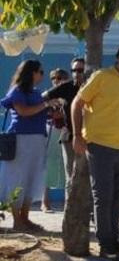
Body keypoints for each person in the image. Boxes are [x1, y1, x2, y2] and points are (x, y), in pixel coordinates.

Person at [72, 40, 119, 261]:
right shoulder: (102, 76)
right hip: (99, 145)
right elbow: (77, 103)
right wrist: (77, 135)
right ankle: (105, 244)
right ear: (118, 56)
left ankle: (114, 241)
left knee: (115, 199)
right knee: (102, 197)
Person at [0, 59, 57, 233]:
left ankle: (25, 218)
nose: (42, 75)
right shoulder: (17, 90)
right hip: (20, 139)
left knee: (32, 178)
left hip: (37, 140)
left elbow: (39, 111)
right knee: (17, 178)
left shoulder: (37, 92)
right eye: (40, 71)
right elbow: (23, 111)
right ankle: (17, 220)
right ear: (31, 73)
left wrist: (51, 109)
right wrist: (46, 104)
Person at [44, 58, 85, 203]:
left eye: (80, 70)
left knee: (89, 175)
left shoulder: (94, 86)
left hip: (91, 137)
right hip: (69, 136)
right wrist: (49, 105)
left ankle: (89, 211)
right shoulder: (66, 87)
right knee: (71, 176)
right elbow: (43, 97)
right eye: (74, 70)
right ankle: (70, 208)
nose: (77, 73)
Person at [41, 68, 70, 213]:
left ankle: (67, 203)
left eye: (61, 77)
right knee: (48, 164)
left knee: (67, 167)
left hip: (66, 131)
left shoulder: (69, 93)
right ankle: (45, 202)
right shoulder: (48, 95)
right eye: (55, 78)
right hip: (51, 130)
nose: (57, 80)